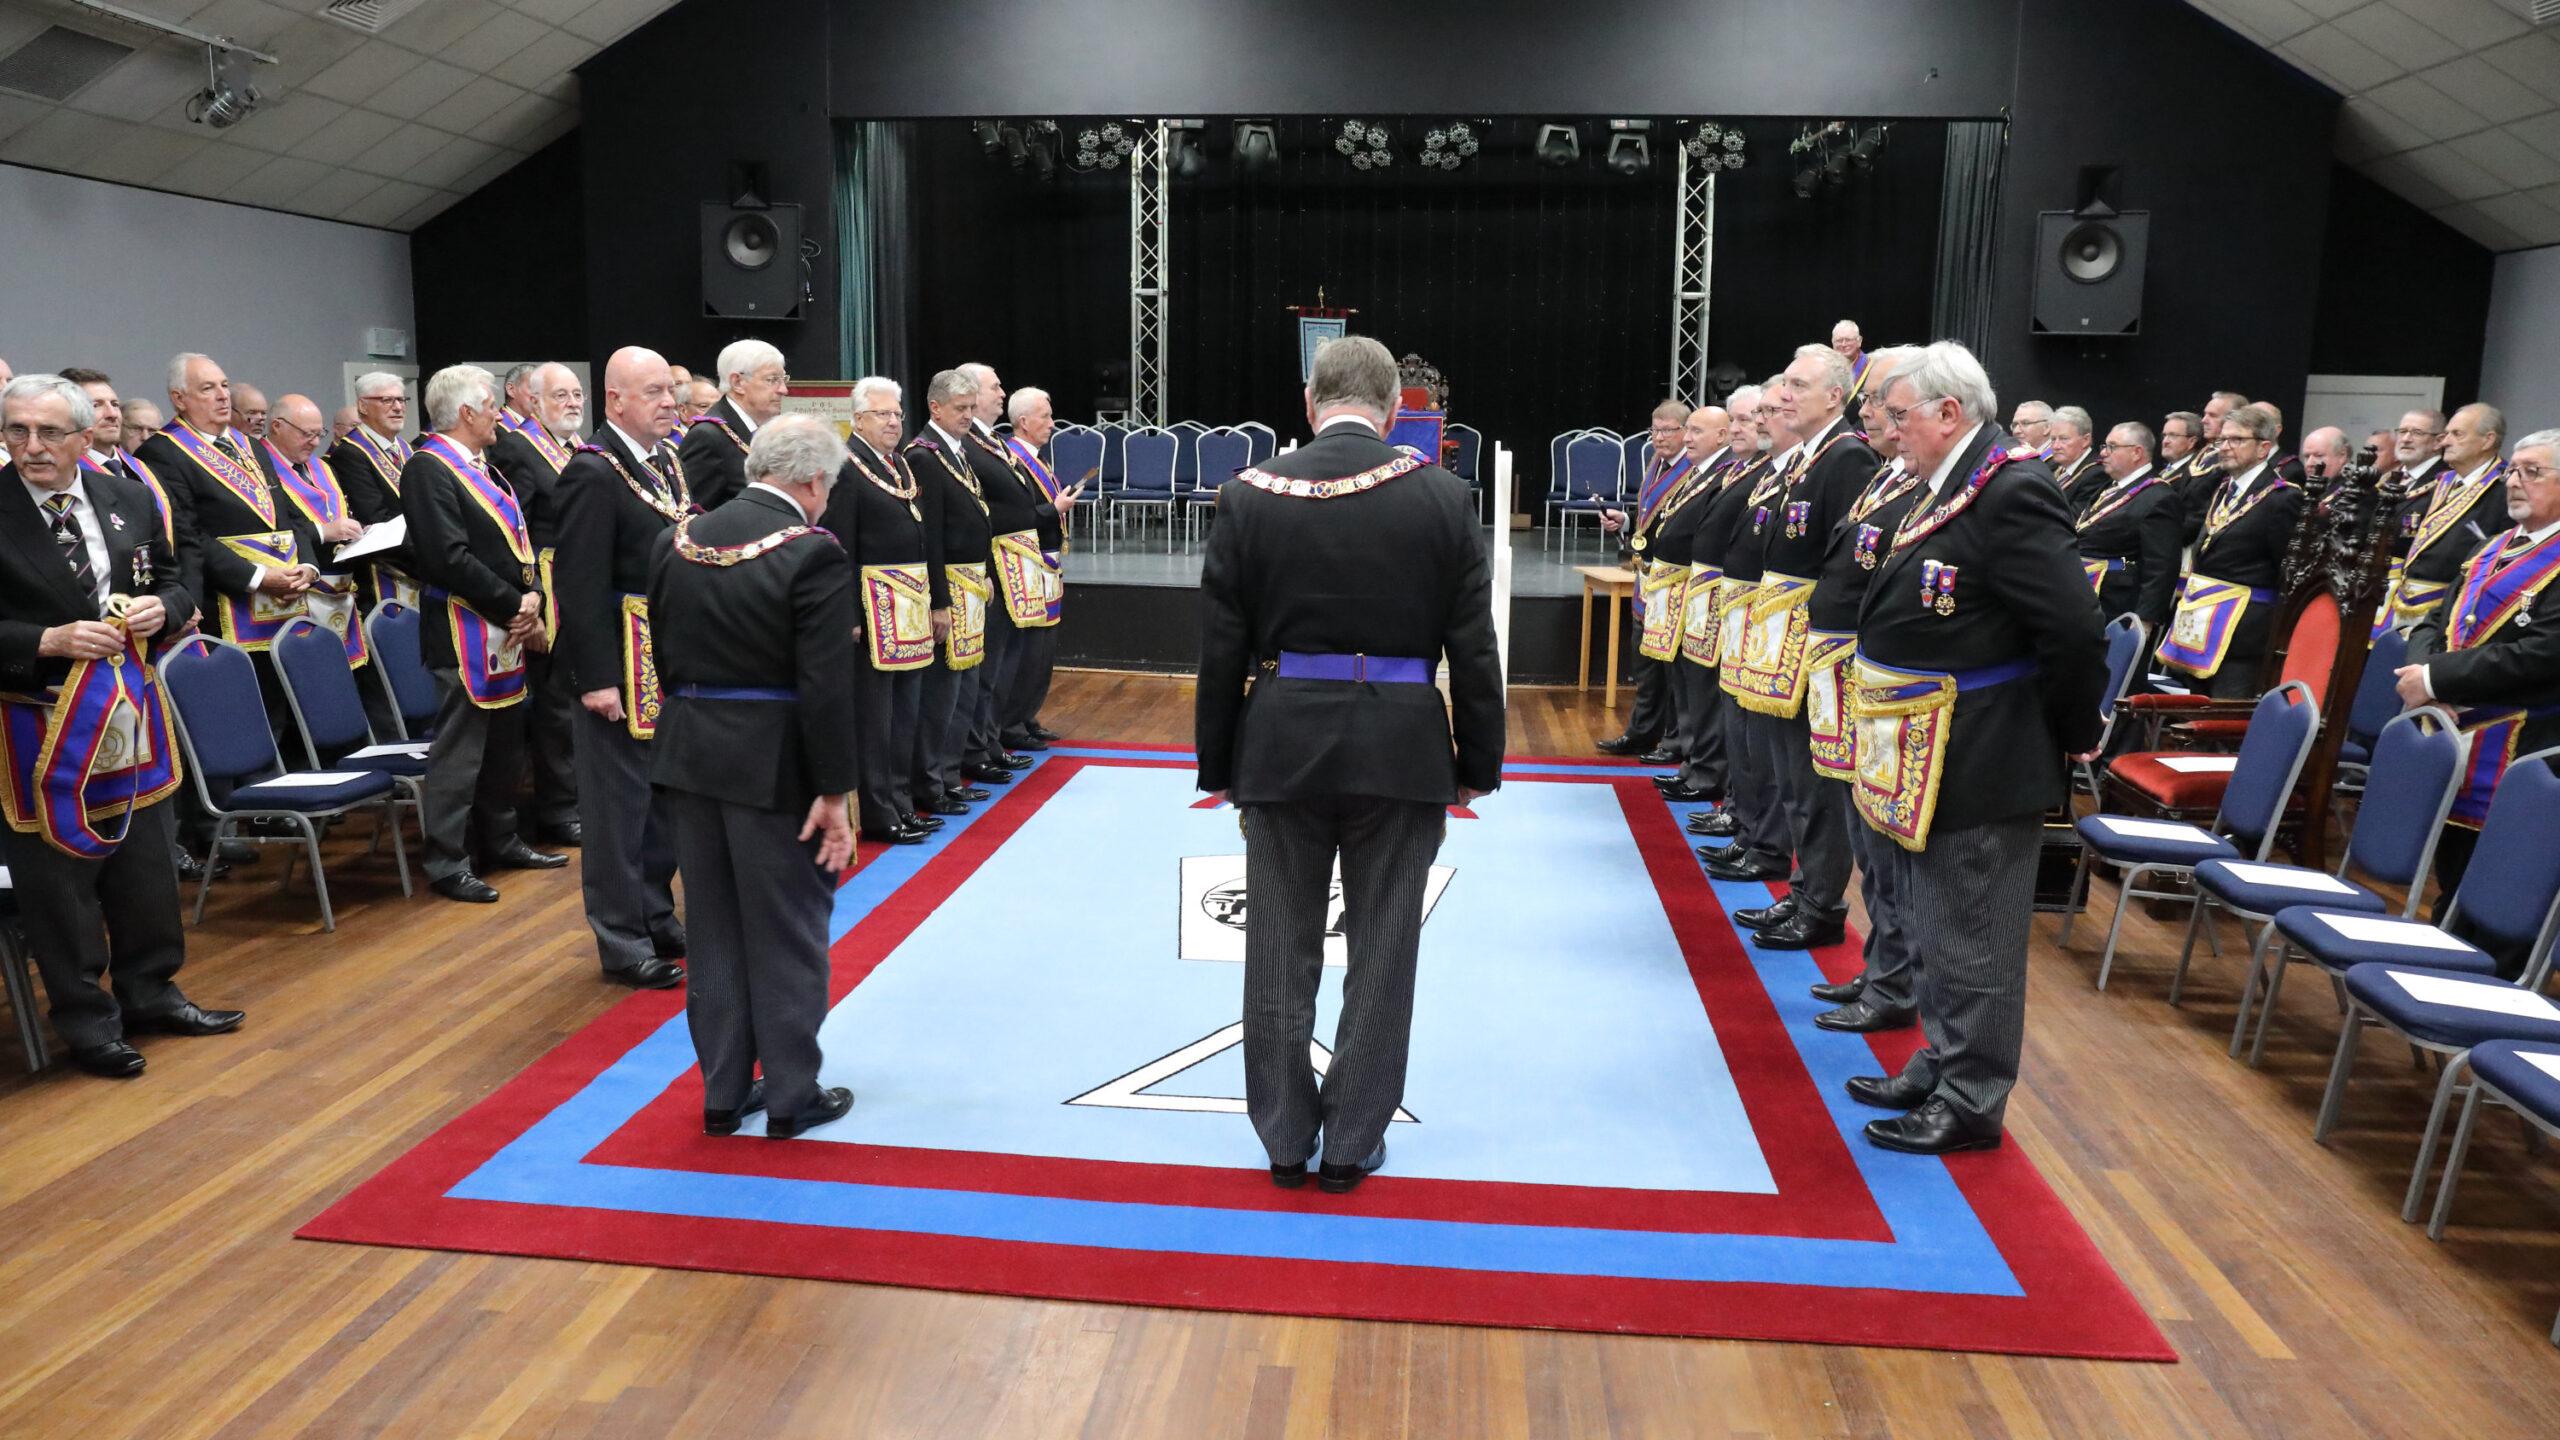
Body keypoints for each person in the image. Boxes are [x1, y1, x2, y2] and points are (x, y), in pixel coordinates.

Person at [1197, 333, 1502, 1194]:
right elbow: (1474, 647)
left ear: (1309, 401)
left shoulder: (1248, 494)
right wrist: (1477, 761)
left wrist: (1218, 763)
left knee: (1277, 951)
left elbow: (1219, 647)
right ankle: (1352, 1143)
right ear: (1396, 408)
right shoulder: (1442, 495)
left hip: (1281, 744)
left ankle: (1284, 1140)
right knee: (1383, 952)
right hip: (1403, 749)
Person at [1846, 342, 2107, 1153]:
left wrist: (2073, 736)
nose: (1890, 431)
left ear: (1949, 412)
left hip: (1982, 747)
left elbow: (2073, 630)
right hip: (1927, 745)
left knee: (1973, 934)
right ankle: (1942, 1059)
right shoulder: (1950, 482)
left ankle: (1971, 1097)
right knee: (1935, 924)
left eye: (1899, 416)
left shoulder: (2011, 488)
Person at [0, 373, 242, 1078]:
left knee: (146, 866)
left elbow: (172, 578)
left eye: (49, 432)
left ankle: (153, 992)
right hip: (39, 724)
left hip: (131, 713)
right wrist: (44, 641)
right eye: (17, 431)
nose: (31, 446)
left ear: (84, 438)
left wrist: (164, 609)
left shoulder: (127, 496)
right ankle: (87, 1021)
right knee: (61, 882)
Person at [650, 411, 860, 1138]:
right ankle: (791, 1095)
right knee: (786, 932)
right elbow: (826, 686)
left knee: (713, 929)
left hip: (690, 752)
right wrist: (834, 791)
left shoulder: (676, 540)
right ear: (813, 480)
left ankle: (723, 1092)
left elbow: (662, 654)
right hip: (776, 766)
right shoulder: (813, 553)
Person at [1723, 344, 1876, 951]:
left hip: (1816, 644)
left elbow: (1846, 560)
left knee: (1814, 784)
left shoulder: (1846, 458)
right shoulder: (1808, 457)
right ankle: (1804, 890)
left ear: (1835, 396)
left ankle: (1821, 903)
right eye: (1783, 384)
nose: (1782, 396)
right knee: (1790, 777)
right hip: (1784, 639)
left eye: (1796, 386)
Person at [399, 364, 566, 902]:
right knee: (461, 751)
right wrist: (516, 603)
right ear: (467, 413)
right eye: (492, 405)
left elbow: (517, 541)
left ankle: (502, 838)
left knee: (504, 746)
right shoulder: (427, 468)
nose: (499, 414)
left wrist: (532, 596)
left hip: (504, 625)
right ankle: (448, 860)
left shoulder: (484, 466)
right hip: (461, 629)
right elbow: (447, 557)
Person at [555, 348, 691, 989]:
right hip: (618, 665)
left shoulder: (665, 461)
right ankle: (621, 939)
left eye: (670, 390)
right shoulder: (592, 471)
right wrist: (597, 679)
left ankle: (655, 915)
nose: (670, 402)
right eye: (654, 392)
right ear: (615, 400)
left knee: (661, 802)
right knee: (618, 811)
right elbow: (577, 584)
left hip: (663, 659)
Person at [2399, 427, 2560, 956]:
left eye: (2533, 472)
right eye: (2512, 470)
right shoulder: (2492, 546)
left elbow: (2542, 653)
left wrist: (2435, 679)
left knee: (2504, 889)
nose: (2514, 481)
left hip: (2526, 740)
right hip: (2456, 730)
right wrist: (2425, 676)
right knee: (2452, 873)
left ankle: (2493, 980)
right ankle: (2446, 960)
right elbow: (2434, 620)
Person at [1802, 346, 1926, 1031]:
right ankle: (1882, 970)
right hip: (1855, 675)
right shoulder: (1888, 476)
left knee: (1885, 846)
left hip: (1888, 687)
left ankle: (1895, 985)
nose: (1870, 413)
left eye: (1883, 402)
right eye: (1873, 402)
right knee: (1869, 843)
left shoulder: (1920, 487)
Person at [137, 354, 321, 660]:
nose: (223, 395)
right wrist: (258, 577)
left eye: (224, 385)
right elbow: (187, 534)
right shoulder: (162, 452)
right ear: (179, 399)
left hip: (288, 603)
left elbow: (288, 513)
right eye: (208, 388)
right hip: (226, 606)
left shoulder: (251, 445)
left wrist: (309, 567)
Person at [824, 376, 937, 841]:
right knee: (876, 719)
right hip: (872, 611)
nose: (893, 422)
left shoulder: (898, 464)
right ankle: (878, 811)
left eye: (897, 414)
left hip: (909, 605)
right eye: (882, 414)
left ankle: (902, 802)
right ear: (857, 419)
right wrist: (849, 614)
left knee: (906, 713)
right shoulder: (845, 466)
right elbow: (839, 547)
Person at [1706, 374, 1799, 888]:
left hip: (1775, 624)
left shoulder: (1814, 465)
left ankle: (1766, 842)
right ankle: (1748, 828)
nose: (1756, 423)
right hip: (1747, 617)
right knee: (1742, 737)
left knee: (1765, 748)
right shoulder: (1766, 470)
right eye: (1749, 415)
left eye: (1761, 413)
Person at [261, 393, 398, 742]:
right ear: (277, 427)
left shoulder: (322, 467)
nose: (313, 441)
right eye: (305, 433)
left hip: (342, 593)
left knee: (344, 690)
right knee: (302, 697)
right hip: (296, 594)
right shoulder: (260, 467)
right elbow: (275, 529)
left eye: (318, 434)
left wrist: (359, 531)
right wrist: (324, 531)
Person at [487, 361, 585, 848]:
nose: (572, 403)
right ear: (533, 401)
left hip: (581, 589)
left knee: (582, 702)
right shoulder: (517, 449)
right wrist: (533, 609)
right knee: (556, 710)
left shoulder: (579, 448)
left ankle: (585, 797)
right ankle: (558, 810)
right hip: (547, 595)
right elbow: (513, 536)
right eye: (560, 395)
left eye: (577, 394)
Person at [906, 369, 1007, 831]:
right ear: (936, 408)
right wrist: (939, 601)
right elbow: (932, 536)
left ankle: (948, 775)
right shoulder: (924, 455)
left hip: (970, 582)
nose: (968, 416)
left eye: (971, 408)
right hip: (948, 586)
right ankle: (930, 782)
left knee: (964, 689)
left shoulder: (956, 451)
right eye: (960, 409)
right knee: (942, 694)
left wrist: (982, 570)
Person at [1684, 386, 1777, 851]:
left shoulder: (1768, 470)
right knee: (1731, 721)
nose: (1743, 427)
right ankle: (1738, 813)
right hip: (1731, 607)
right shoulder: (1747, 470)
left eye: (1748, 418)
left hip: (1759, 615)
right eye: (1737, 419)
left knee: (1751, 732)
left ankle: (1751, 827)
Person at [2158, 403, 2304, 697]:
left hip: (2244, 634)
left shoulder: (2281, 498)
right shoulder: (2224, 488)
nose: (2224, 447)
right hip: (2201, 623)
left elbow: (2288, 571)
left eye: (2236, 439)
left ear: (2263, 448)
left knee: (2221, 715)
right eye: (2222, 439)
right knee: (2184, 710)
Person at [954, 362, 1040, 777]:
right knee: (986, 670)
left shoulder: (990, 440)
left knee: (1002, 666)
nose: (1002, 393)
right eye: (995, 387)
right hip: (990, 567)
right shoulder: (967, 445)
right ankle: (976, 749)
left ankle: (989, 742)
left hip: (1011, 566)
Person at [1643, 404, 1731, 804]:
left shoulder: (1725, 473)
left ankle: (1706, 771)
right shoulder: (1698, 473)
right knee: (1685, 685)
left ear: (1721, 436)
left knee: (1702, 691)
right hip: (1681, 594)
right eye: (1688, 430)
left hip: (1703, 595)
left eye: (1696, 431)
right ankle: (1692, 765)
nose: (1687, 438)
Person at [1597, 399, 1693, 763]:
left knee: (1671, 671)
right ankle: (1640, 735)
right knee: (1645, 666)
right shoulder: (1656, 463)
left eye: (1668, 430)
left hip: (1674, 581)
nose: (1659, 437)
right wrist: (1625, 522)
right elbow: (1650, 517)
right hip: (1646, 579)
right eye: (1655, 430)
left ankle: (1673, 742)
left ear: (1685, 431)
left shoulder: (1692, 468)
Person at [997, 387, 1079, 749]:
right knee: (1027, 652)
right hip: (1026, 563)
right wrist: (1054, 510)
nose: (1051, 423)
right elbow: (1017, 516)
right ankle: (1011, 723)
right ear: (1024, 421)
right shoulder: (1012, 460)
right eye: (1045, 416)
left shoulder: (1037, 458)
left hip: (1047, 563)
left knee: (1042, 652)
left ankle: (1027, 715)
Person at [2381, 404, 2509, 635]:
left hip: (2453, 613)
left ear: (2487, 440)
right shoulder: (2443, 481)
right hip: (2405, 603)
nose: (2445, 442)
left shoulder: (2505, 488)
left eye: (2457, 434)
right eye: (2446, 434)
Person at [2076, 421, 2183, 638]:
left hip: (2116, 605)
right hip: (2088, 597)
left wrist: (2144, 618)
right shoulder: (2109, 487)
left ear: (2136, 453)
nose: (2103, 453)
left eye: (2112, 447)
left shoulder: (2159, 497)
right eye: (2104, 446)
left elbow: (2161, 565)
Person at [679, 339, 790, 514]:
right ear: (738, 383)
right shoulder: (708, 436)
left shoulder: (766, 430)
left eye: (783, 380)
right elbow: (692, 516)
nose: (783, 390)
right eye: (772, 380)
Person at [330, 372, 412, 527]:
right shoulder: (349, 455)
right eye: (387, 400)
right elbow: (374, 517)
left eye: (401, 400)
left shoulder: (410, 449)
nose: (398, 407)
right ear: (363, 406)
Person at [2045, 406, 2103, 510]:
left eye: (2064, 439)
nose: (2056, 446)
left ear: (2085, 440)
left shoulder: (2096, 473)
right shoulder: (2052, 466)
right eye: (2053, 439)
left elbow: (2073, 517)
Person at [1831, 319, 1873, 408]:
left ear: (1859, 341)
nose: (1843, 344)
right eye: (1839, 340)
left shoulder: (1872, 367)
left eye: (1848, 340)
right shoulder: (1826, 367)